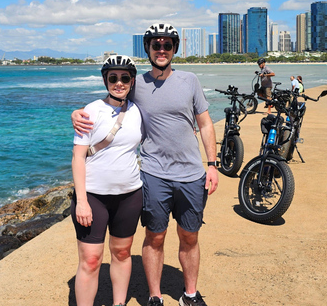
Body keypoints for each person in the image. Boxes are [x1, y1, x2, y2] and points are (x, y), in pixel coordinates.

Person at [73, 23, 219, 306]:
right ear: (148, 49)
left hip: (191, 174)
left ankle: (190, 294)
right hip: (153, 174)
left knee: (190, 236)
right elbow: (112, 99)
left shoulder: (190, 81)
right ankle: (154, 296)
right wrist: (76, 114)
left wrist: (212, 164)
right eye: (156, 45)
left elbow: (205, 124)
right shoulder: (136, 83)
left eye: (167, 45)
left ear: (174, 49)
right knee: (155, 236)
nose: (161, 50)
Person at [71, 55, 144, 306]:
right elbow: (78, 157)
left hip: (130, 195)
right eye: (113, 78)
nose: (119, 83)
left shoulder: (137, 110)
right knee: (91, 260)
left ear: (132, 81)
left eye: (125, 78)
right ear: (105, 80)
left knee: (122, 253)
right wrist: (81, 201)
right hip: (93, 196)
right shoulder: (91, 110)